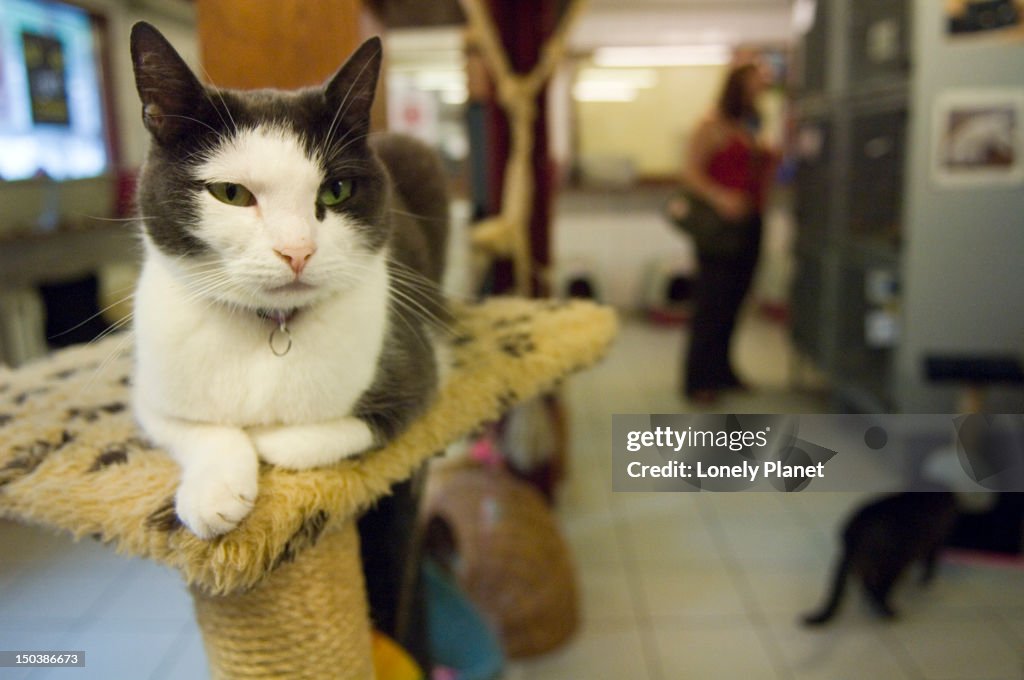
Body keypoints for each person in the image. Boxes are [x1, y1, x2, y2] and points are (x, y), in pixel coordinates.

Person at [680, 61, 776, 404]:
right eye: (754, 83)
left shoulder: (750, 127)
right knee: (712, 303)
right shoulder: (711, 126)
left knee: (736, 300)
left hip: (751, 222)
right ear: (737, 87)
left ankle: (722, 370)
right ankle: (698, 379)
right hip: (720, 228)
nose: (761, 89)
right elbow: (690, 173)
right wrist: (720, 197)